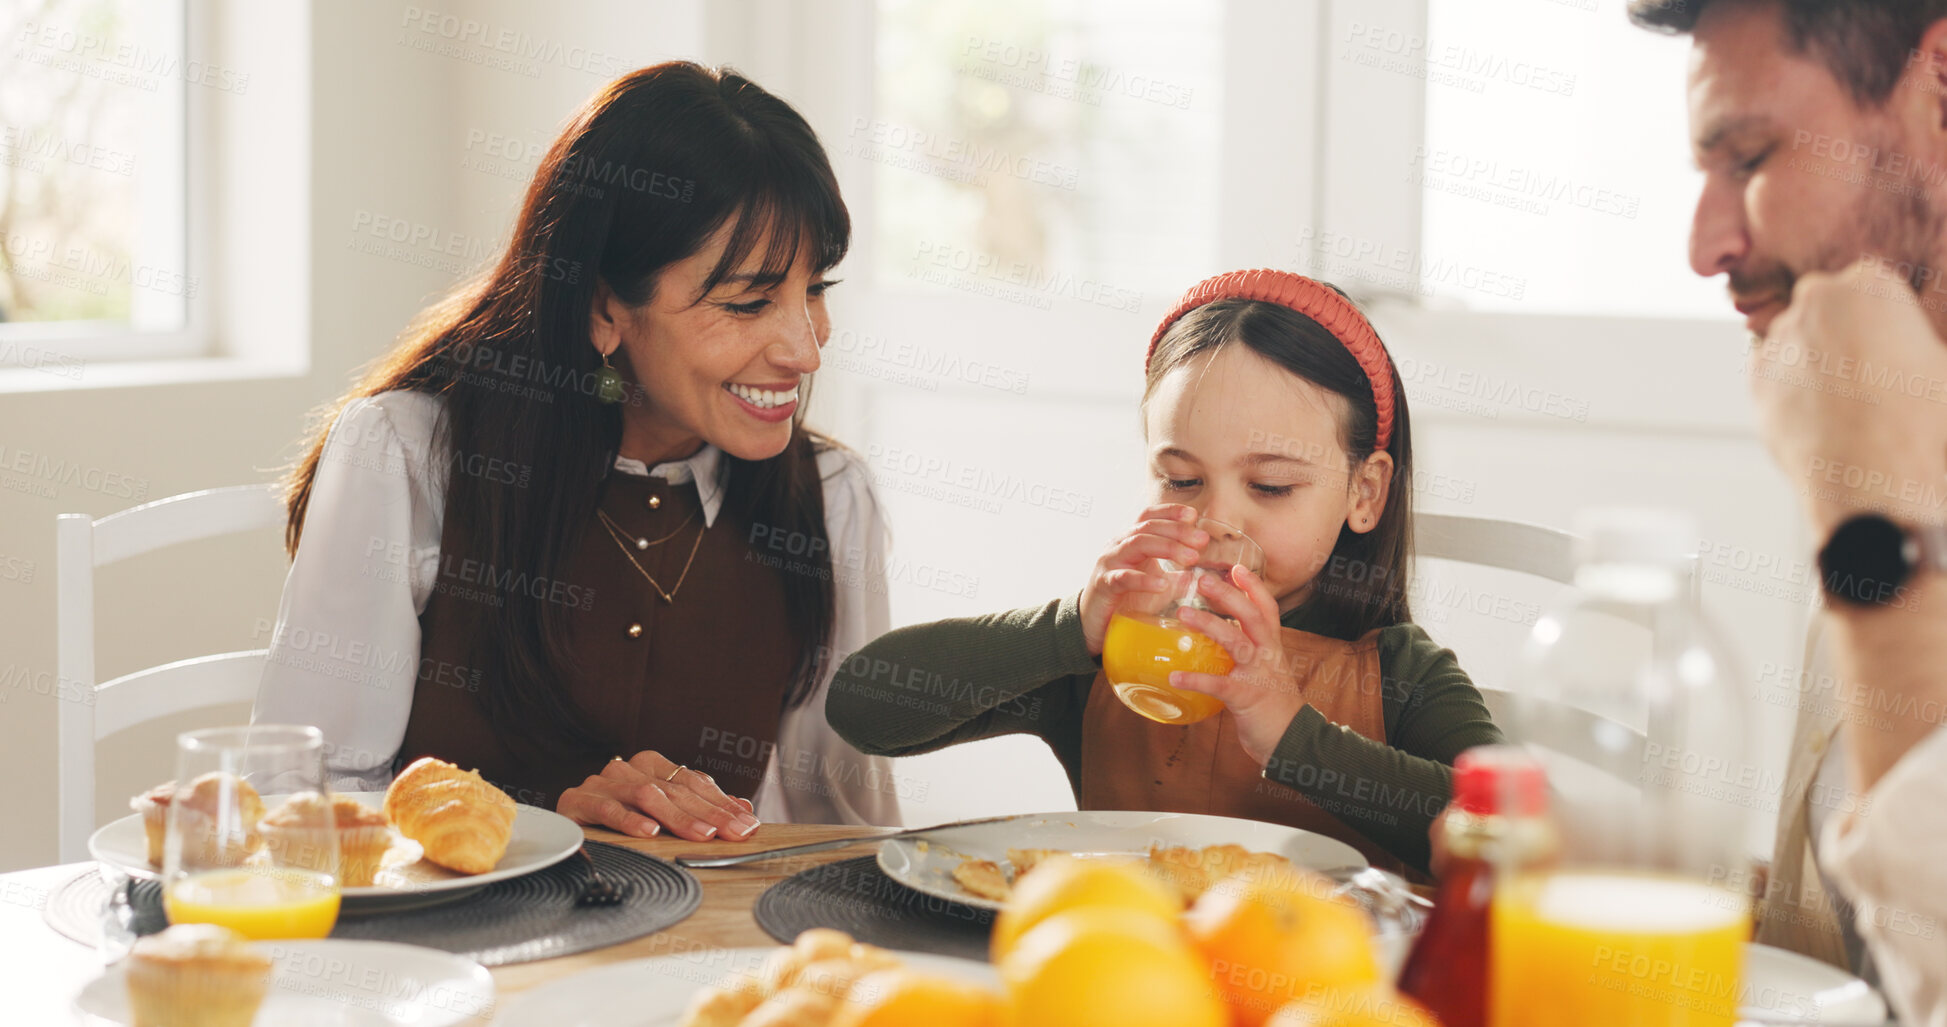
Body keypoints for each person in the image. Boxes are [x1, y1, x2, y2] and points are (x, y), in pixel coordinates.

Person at [251, 61, 902, 842]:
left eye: (817, 287)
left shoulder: (832, 495)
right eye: (748, 302)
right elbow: (305, 803)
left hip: (703, 957)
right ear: (602, 305)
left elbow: (846, 829)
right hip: (452, 953)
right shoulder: (408, 455)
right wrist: (534, 830)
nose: (805, 349)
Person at [825, 268, 1504, 876]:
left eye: (1269, 486)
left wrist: (1289, 731)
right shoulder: (1110, 651)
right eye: (1181, 479)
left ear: (1364, 492)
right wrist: (1068, 628)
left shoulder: (1400, 673)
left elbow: (1507, 829)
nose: (1215, 518)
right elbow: (859, 708)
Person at [1632, 2, 1947, 1022]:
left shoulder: (1879, 481)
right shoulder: (1879, 405)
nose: (1704, 243)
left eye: (1753, 155)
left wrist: (1878, 531)